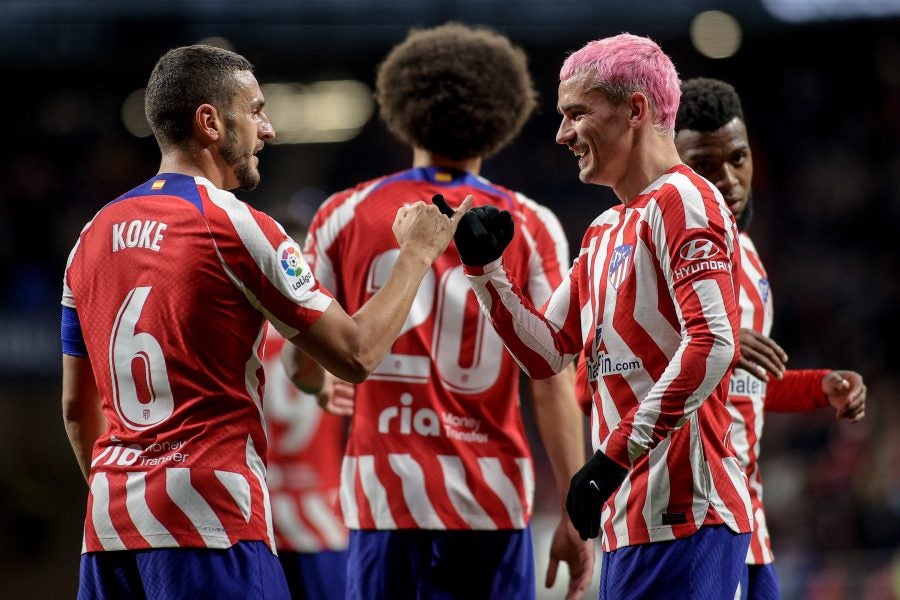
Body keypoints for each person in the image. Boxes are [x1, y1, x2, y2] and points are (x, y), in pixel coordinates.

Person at [60, 44, 468, 599]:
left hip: (109, 535)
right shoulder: (234, 226)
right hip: (213, 527)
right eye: (254, 110)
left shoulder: (89, 238)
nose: (268, 130)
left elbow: (76, 411)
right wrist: (417, 253)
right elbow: (356, 353)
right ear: (209, 122)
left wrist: (130, 498)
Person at [446, 33, 755, 599]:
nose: (562, 134)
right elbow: (546, 353)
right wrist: (486, 269)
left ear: (636, 109)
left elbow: (712, 342)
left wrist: (610, 459)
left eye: (576, 114)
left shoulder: (686, 200)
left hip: (686, 515)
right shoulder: (606, 229)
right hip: (627, 518)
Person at [299, 22, 594, 600]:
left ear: (401, 107)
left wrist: (316, 382)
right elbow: (553, 380)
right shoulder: (532, 224)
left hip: (383, 500)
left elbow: (303, 355)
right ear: (502, 115)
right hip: (492, 501)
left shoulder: (342, 214)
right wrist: (572, 511)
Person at [674, 76, 867, 600]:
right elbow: (590, 384)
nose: (730, 180)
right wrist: (710, 343)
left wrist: (817, 386)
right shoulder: (652, 255)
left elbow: (746, 385)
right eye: (704, 166)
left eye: (738, 158)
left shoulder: (752, 261)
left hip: (749, 523)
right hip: (688, 521)